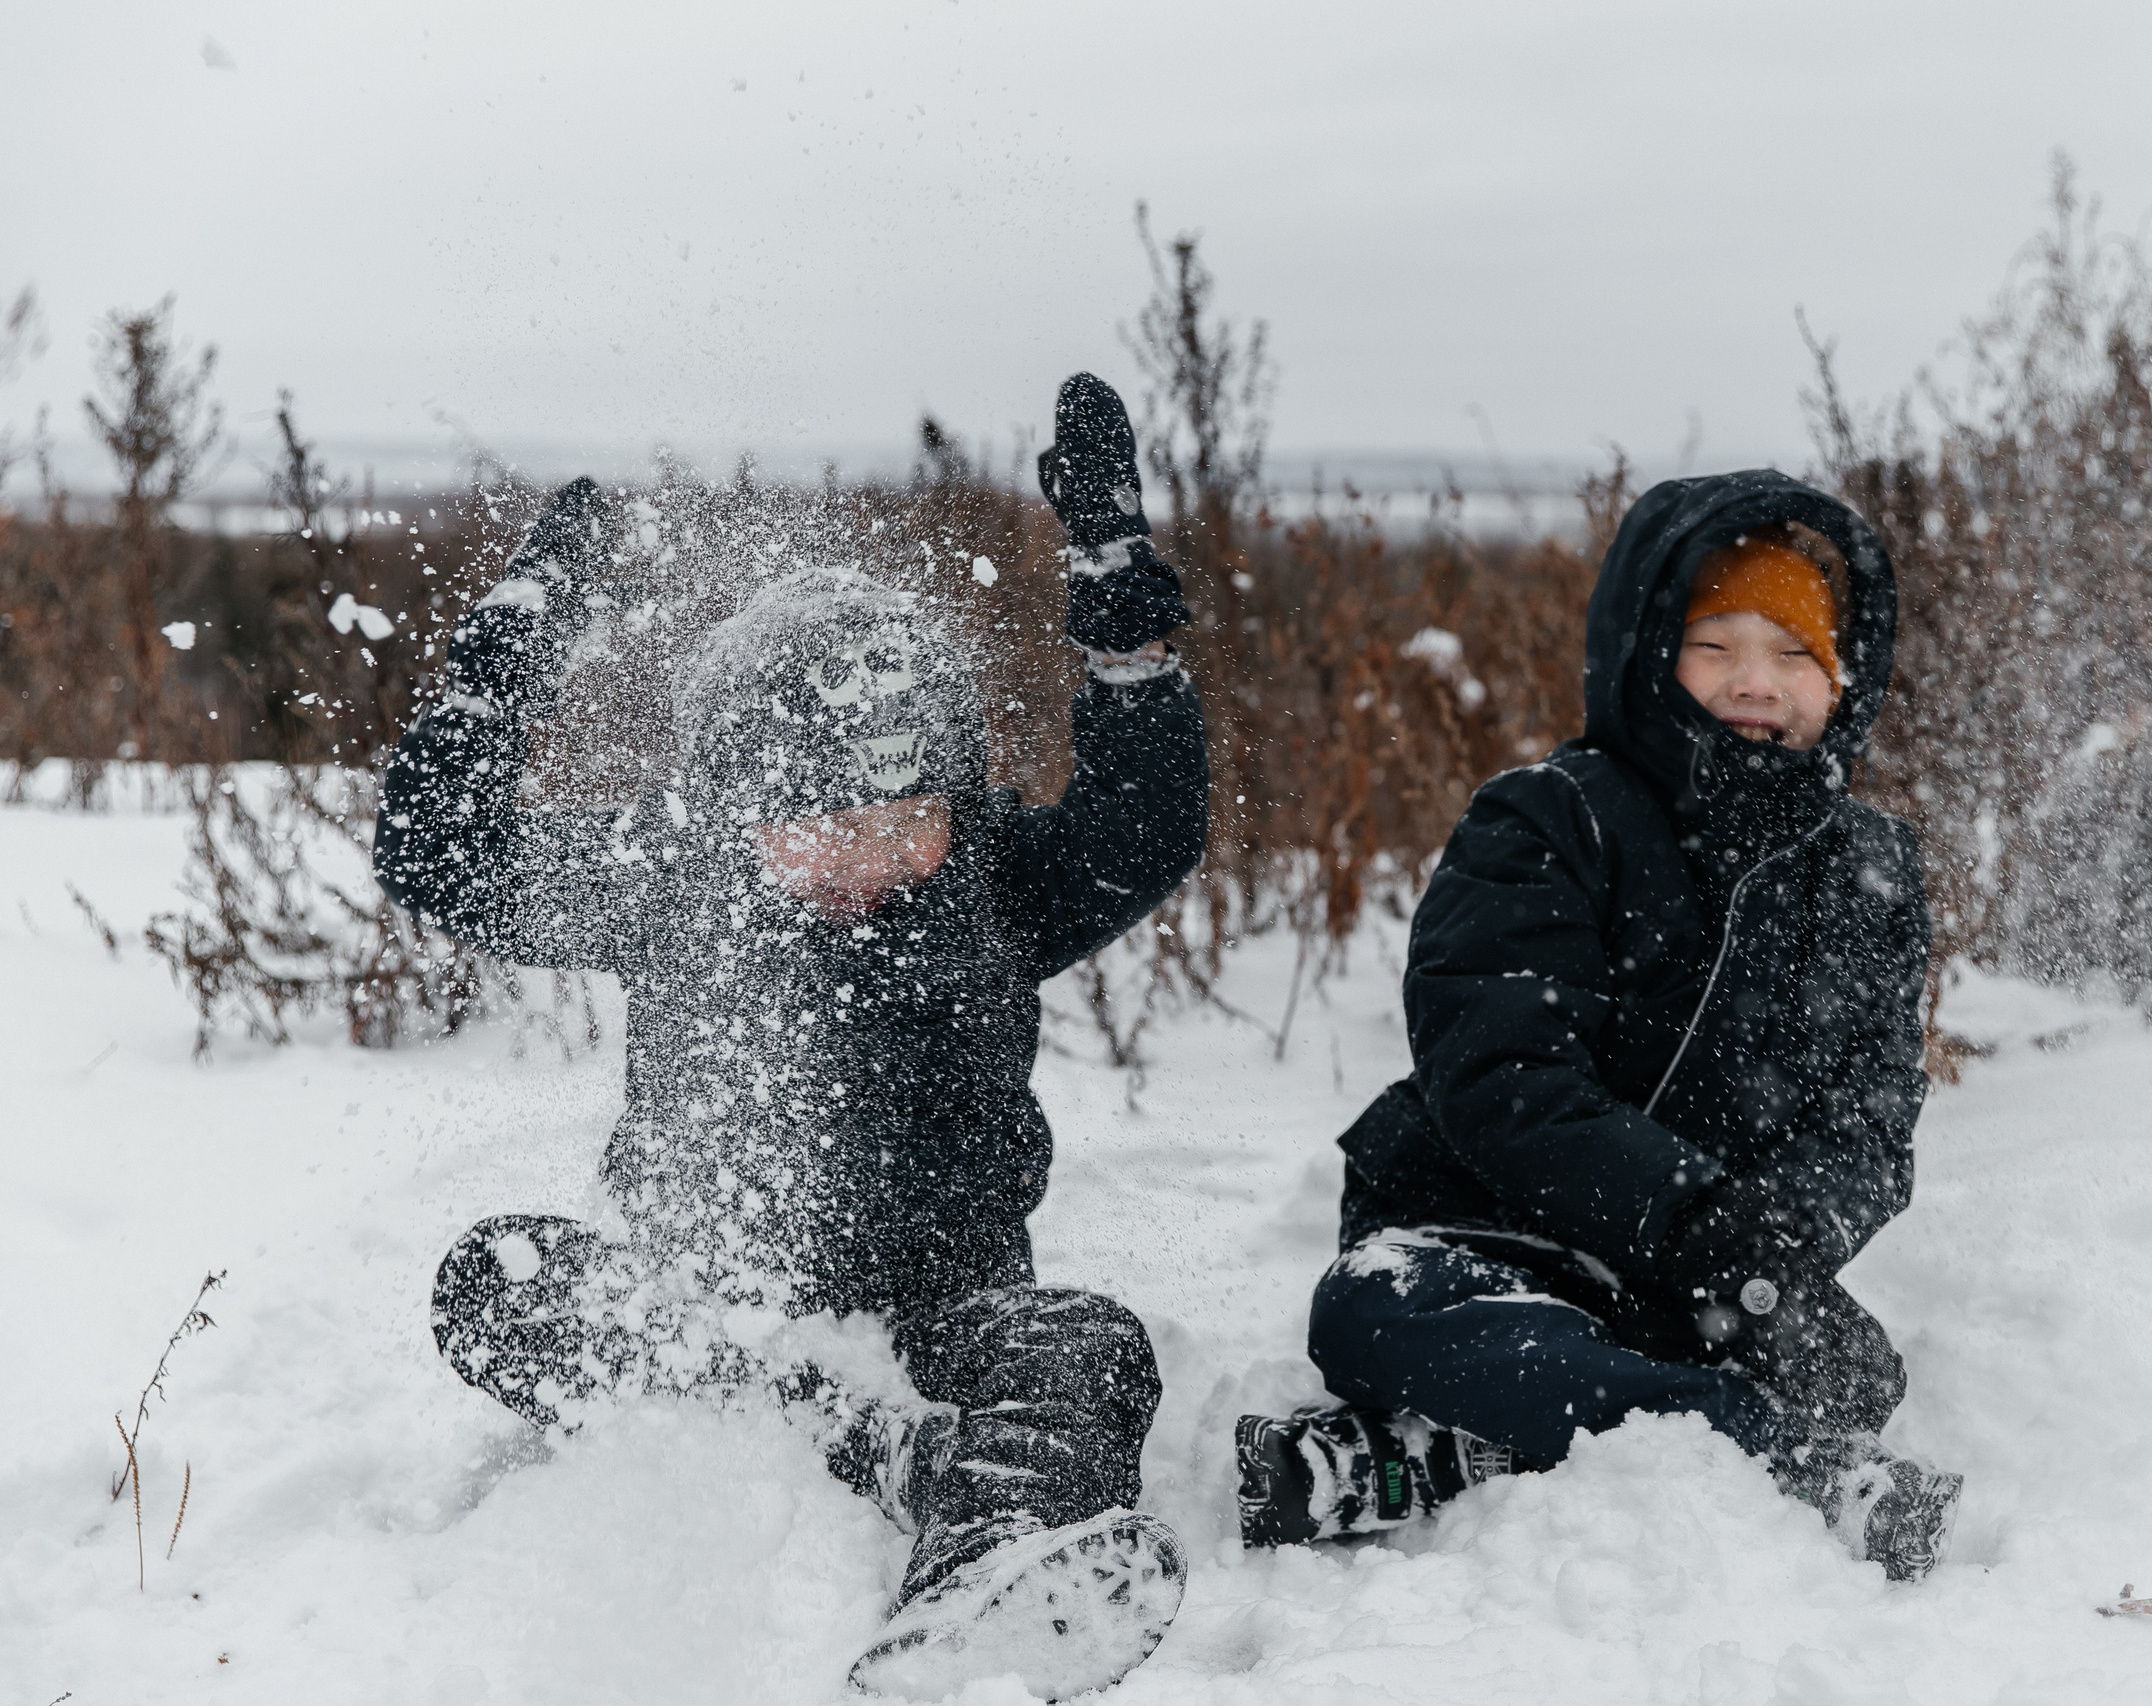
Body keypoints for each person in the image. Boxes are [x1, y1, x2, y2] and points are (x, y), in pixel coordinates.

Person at [375, 376, 1209, 1698]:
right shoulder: (670, 877)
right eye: (816, 828)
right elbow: (441, 852)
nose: (870, 862)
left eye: (905, 821)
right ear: (733, 812)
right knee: (499, 1275)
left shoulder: (993, 880)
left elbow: (1148, 823)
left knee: (1087, 1343)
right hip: (713, 1307)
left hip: (949, 1303)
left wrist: (1121, 619)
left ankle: (982, 1566)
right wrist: (514, 644)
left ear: (957, 797)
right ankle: (859, 1433)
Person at [1233, 470, 1962, 1579]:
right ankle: (1775, 1457)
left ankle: (1443, 1454)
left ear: (1841, 679)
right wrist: (1695, 1216)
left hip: (1700, 1285)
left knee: (1855, 1369)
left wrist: (1770, 1256)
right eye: (1715, 645)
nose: (1755, 681)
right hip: (1490, 1239)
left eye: (1794, 653)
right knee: (1369, 1309)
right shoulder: (1548, 815)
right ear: (1647, 651)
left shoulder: (1868, 867)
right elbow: (1503, 1077)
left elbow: (1869, 1117)